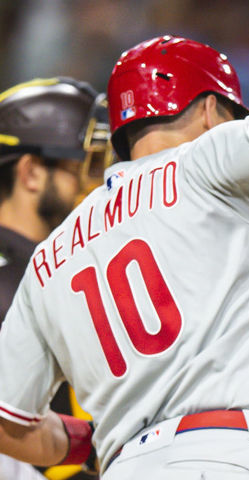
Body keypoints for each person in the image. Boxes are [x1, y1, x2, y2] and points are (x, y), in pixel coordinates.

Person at [0, 35, 249, 480]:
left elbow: (9, 426)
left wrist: (93, 441)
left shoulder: (50, 257)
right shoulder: (209, 161)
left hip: (125, 466)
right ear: (213, 111)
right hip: (231, 454)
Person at [0, 77, 111, 480]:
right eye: (86, 166)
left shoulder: (58, 269)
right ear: (30, 173)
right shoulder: (23, 283)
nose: (98, 184)